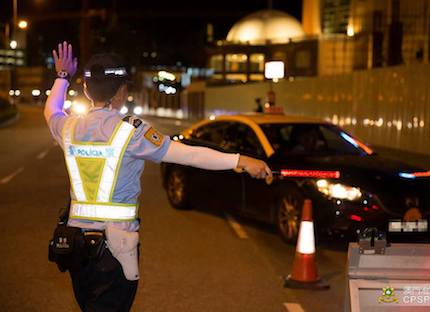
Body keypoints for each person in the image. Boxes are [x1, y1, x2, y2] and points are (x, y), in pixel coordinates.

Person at [44, 41, 272, 311]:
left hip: (76, 249)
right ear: (122, 92)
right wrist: (240, 160)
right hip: (115, 250)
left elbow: (51, 110)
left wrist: (62, 76)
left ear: (85, 89)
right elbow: (190, 155)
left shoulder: (68, 128)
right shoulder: (131, 132)